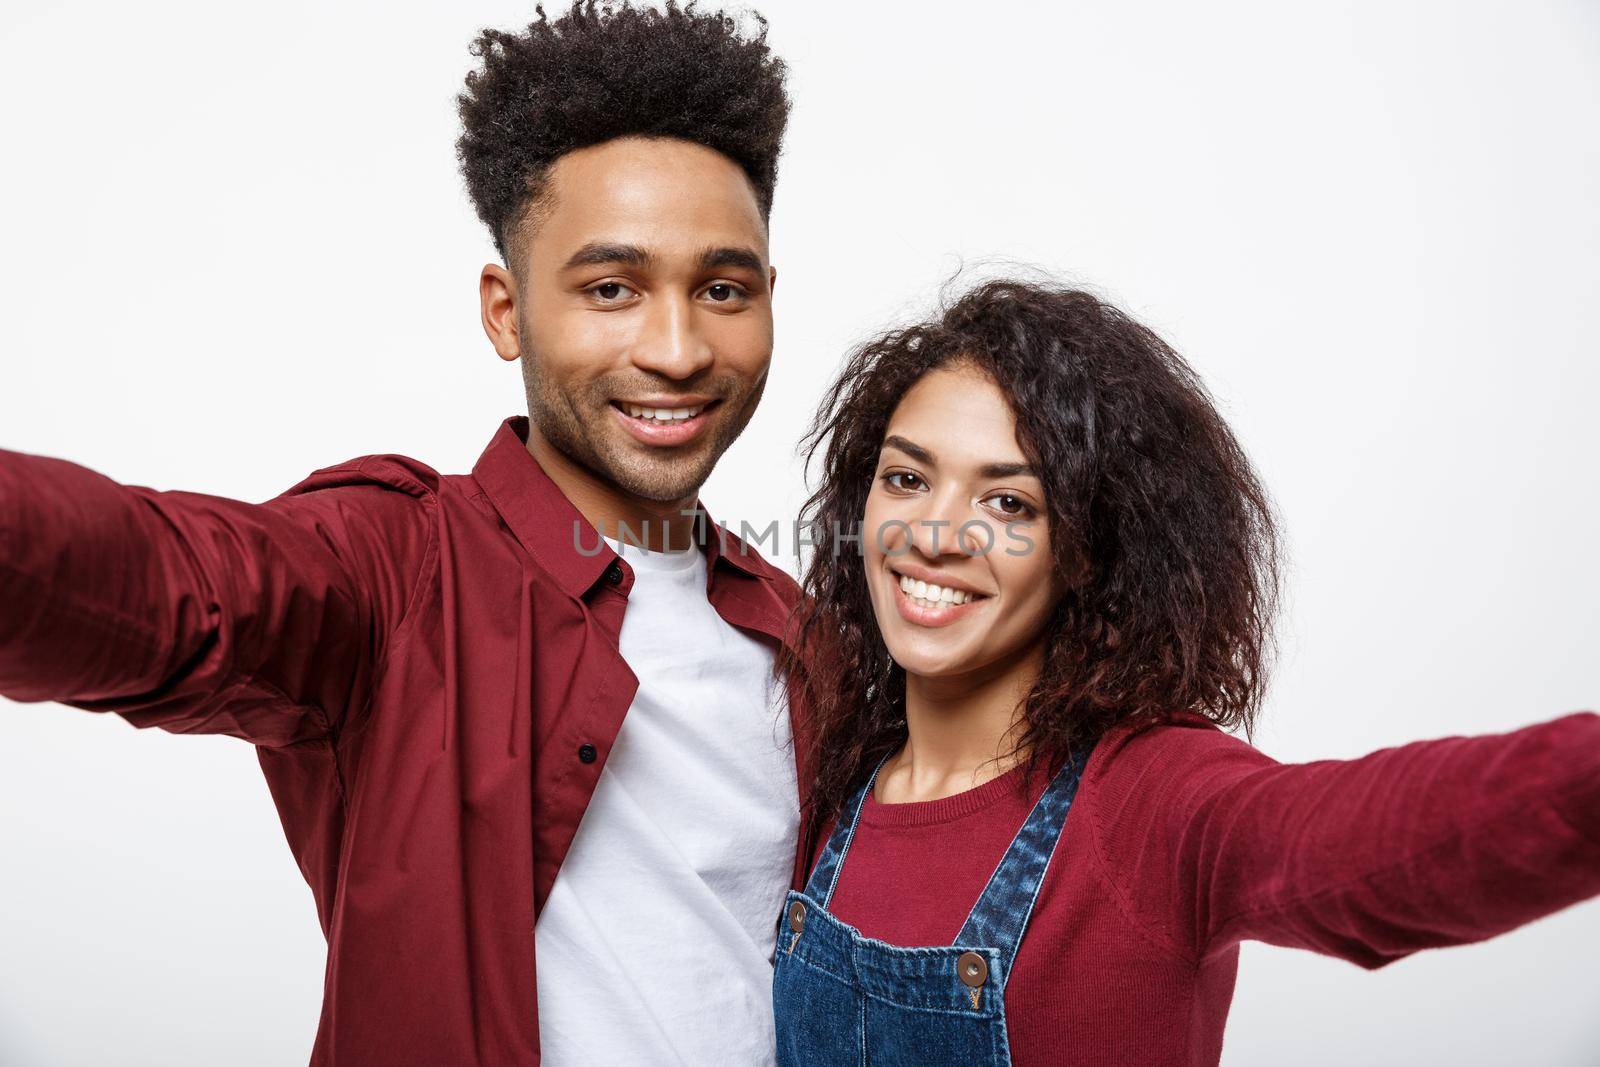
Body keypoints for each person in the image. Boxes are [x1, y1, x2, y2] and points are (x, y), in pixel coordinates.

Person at [0, 3, 807, 1063]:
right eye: (611, 288)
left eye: (721, 289)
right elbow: (161, 581)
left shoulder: (804, 631)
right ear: (506, 309)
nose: (676, 346)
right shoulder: (395, 569)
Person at [773, 278, 1600, 1067]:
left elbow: (1365, 842)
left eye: (1009, 503)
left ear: (1090, 552)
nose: (935, 533)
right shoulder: (836, 770)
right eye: (907, 478)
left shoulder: (1147, 798)